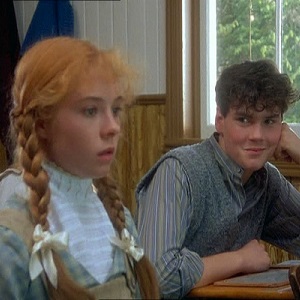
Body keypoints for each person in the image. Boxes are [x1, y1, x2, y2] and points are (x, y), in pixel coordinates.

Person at [0, 36, 159, 299]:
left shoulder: (120, 221)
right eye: (90, 111)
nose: (113, 127)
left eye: (116, 109)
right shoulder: (13, 242)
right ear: (42, 123)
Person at [135, 59, 300, 299]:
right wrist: (239, 259)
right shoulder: (178, 171)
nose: (257, 135)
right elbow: (155, 279)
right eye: (244, 119)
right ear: (220, 120)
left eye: (269, 121)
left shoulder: (267, 181)